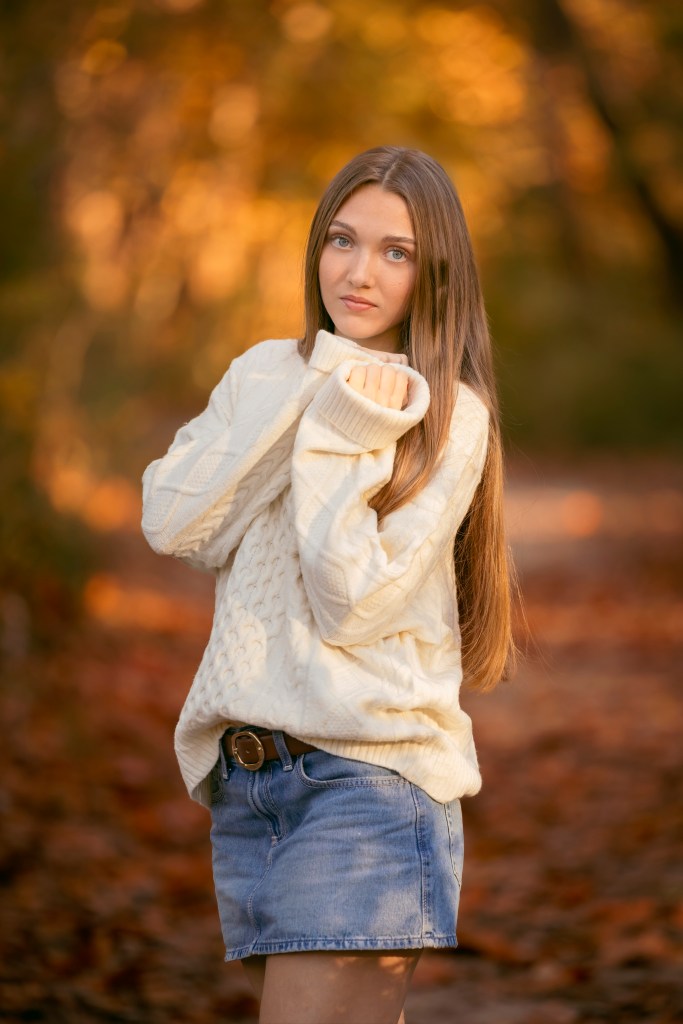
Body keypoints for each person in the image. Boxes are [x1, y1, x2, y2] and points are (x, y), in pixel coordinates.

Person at [141, 145, 515, 1024]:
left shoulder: (449, 413)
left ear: (435, 274)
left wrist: (341, 433)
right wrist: (316, 384)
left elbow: (351, 605)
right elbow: (175, 523)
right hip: (251, 780)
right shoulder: (262, 371)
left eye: (396, 252)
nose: (358, 271)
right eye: (342, 240)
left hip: (369, 777)